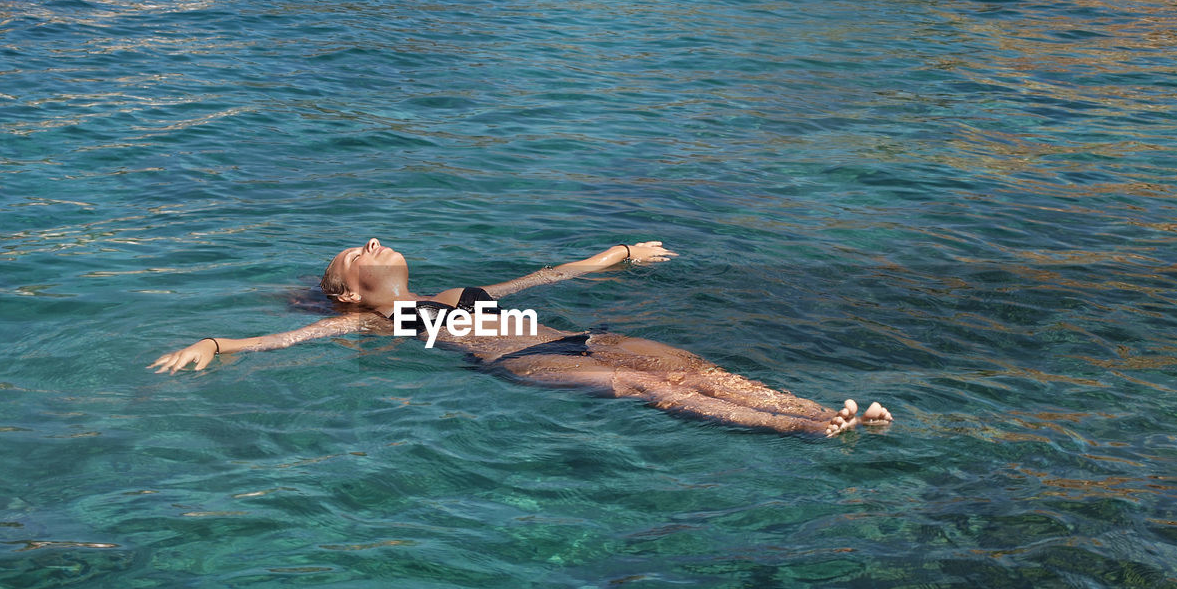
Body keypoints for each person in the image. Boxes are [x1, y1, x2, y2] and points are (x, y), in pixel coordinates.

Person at [149, 238, 893, 437]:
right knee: (648, 388)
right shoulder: (363, 319)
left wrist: (615, 258)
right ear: (346, 290)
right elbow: (280, 344)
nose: (372, 240)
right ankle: (798, 430)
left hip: (579, 335)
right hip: (519, 360)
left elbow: (540, 280)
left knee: (696, 367)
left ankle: (822, 409)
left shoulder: (449, 293)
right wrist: (215, 344)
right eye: (356, 251)